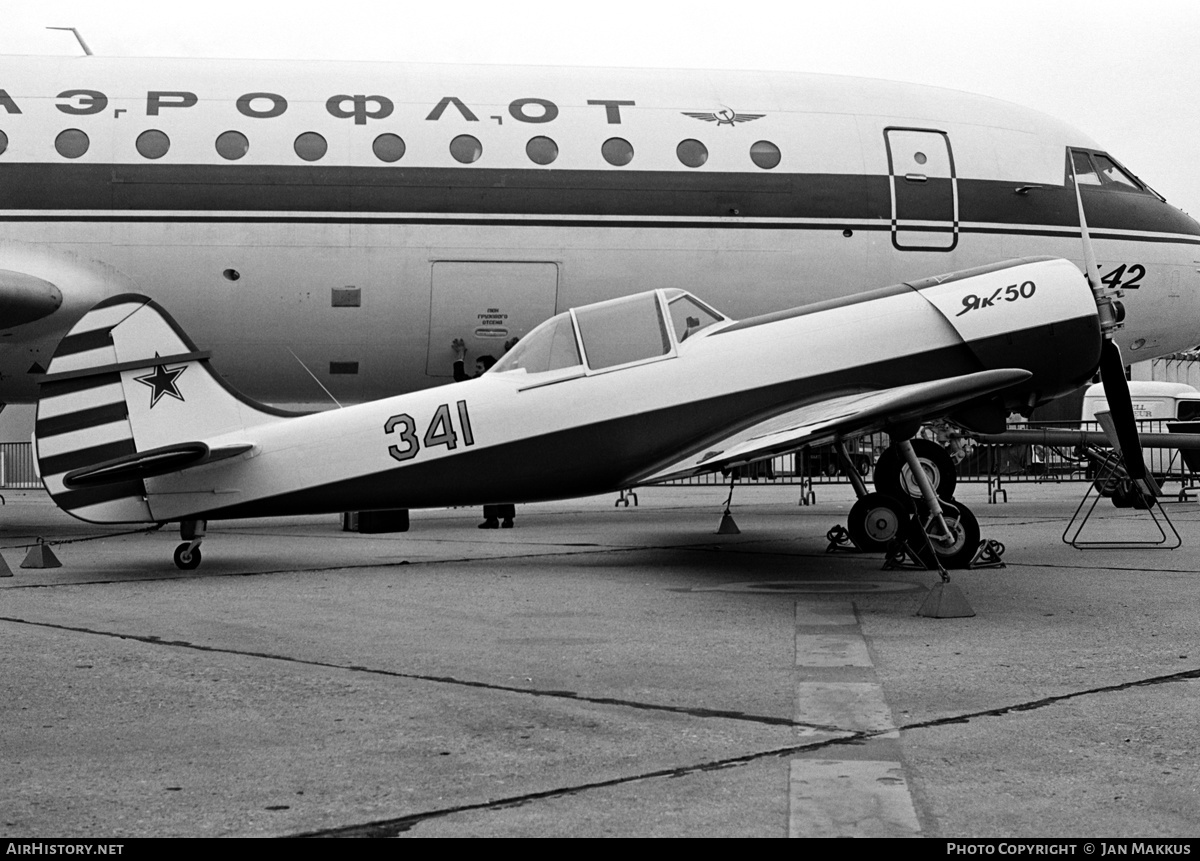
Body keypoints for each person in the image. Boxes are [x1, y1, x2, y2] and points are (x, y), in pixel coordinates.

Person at [450, 338, 513, 528]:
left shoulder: (480, 384)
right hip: (504, 437)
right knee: (506, 481)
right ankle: (508, 518)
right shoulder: (503, 382)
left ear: (486, 369)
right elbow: (508, 369)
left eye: (479, 367)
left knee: (490, 481)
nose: (476, 371)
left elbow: (459, 377)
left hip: (487, 438)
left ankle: (492, 518)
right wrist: (510, 351)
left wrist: (460, 355)